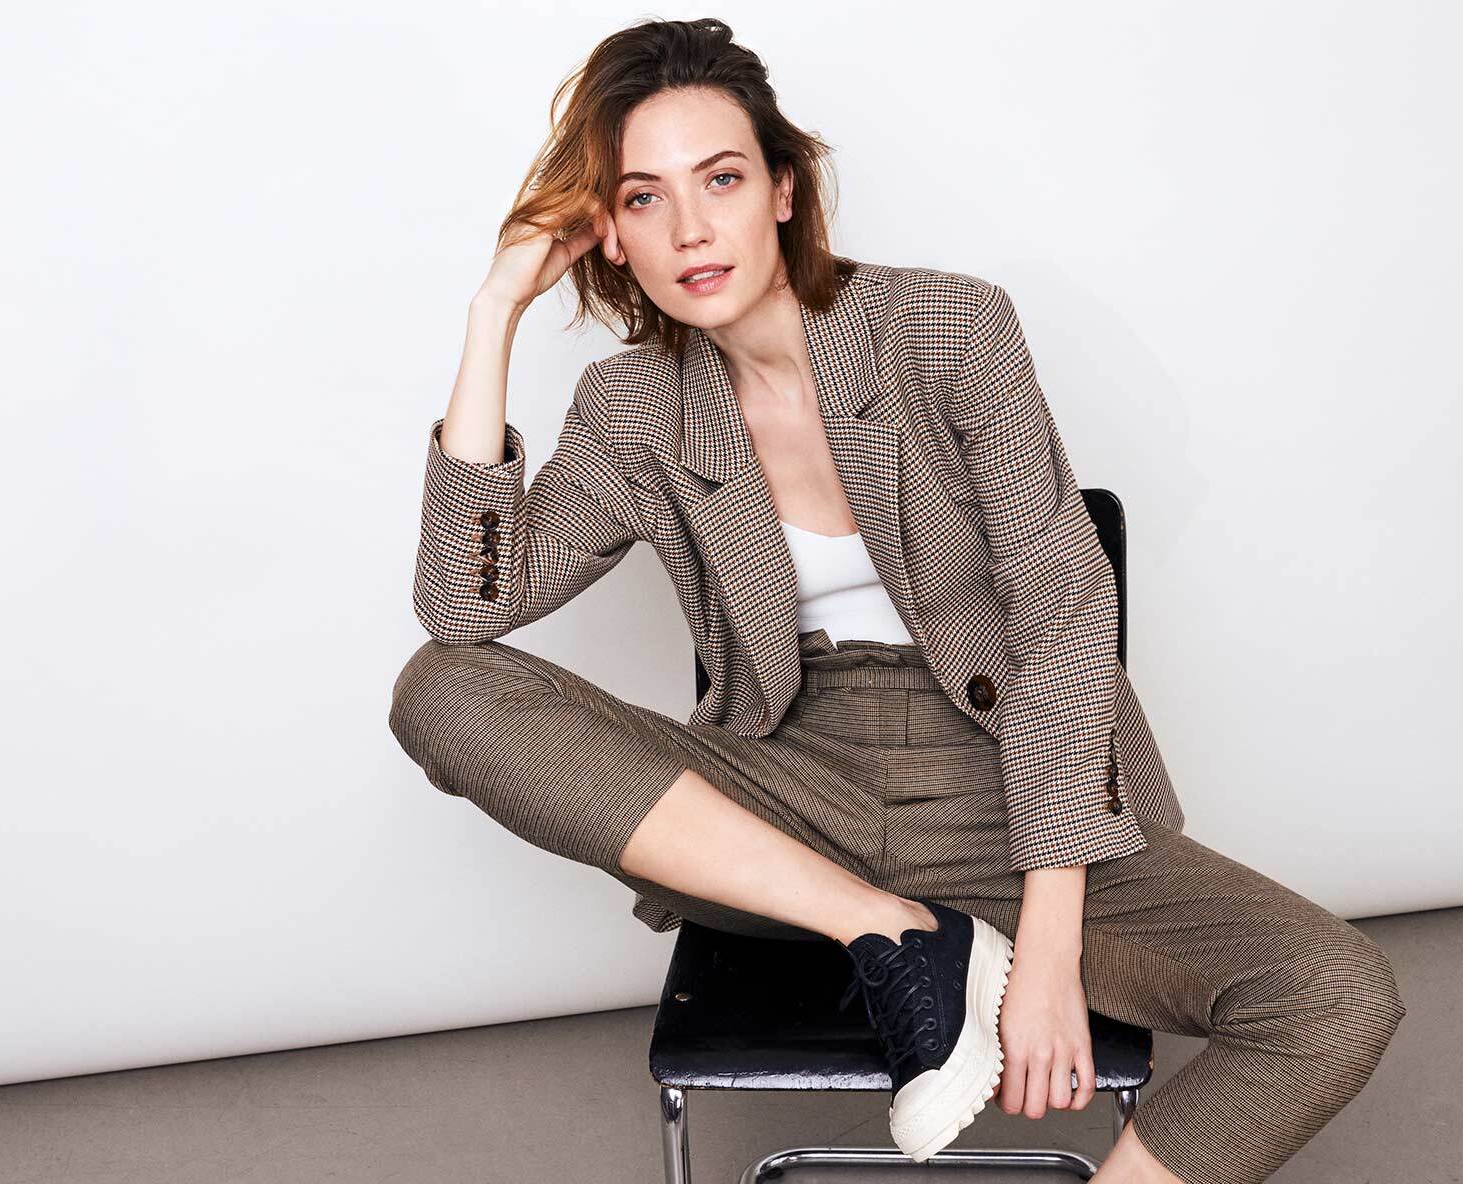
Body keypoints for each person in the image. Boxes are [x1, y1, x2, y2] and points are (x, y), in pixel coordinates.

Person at [388, 17, 1405, 1184]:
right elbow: (462, 611)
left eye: (721, 179)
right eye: (643, 198)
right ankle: (895, 932)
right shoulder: (633, 406)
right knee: (440, 688)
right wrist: (495, 309)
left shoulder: (946, 328)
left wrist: (1050, 952)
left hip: (1005, 777)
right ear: (609, 235)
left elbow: (1065, 613)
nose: (689, 229)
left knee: (1333, 993)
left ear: (784, 188)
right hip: (785, 797)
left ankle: (945, 944)